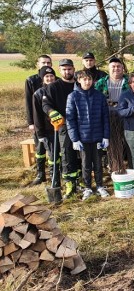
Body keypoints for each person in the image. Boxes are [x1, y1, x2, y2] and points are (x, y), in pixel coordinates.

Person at [65, 71, 110, 200]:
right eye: (84, 79)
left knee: (98, 163)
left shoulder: (99, 96)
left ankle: (100, 186)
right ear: (79, 80)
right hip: (83, 138)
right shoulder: (73, 97)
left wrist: (105, 136)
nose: (87, 82)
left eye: (89, 79)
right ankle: (88, 187)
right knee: (85, 164)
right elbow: (70, 119)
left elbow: (105, 117)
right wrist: (75, 139)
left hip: (97, 136)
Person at [42, 59, 81, 199]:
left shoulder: (79, 84)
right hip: (64, 125)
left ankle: (80, 180)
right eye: (64, 69)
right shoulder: (53, 87)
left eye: (69, 69)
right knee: (67, 154)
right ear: (60, 70)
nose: (67, 72)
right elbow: (46, 104)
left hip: (81, 124)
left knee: (82, 154)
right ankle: (69, 183)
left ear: (74, 69)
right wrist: (52, 112)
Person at [25, 54, 52, 185]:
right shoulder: (31, 81)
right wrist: (31, 122)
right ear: (38, 64)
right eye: (43, 63)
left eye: (48, 63)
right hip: (38, 121)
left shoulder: (54, 80)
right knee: (40, 149)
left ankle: (54, 173)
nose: (46, 65)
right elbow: (29, 103)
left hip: (52, 122)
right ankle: (41, 173)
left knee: (53, 150)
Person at [32, 66, 59, 187]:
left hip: (59, 127)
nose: (49, 78)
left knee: (59, 154)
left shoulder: (59, 89)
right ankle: (53, 177)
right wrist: (40, 133)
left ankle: (59, 174)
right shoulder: (38, 94)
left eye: (51, 76)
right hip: (47, 130)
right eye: (47, 77)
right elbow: (37, 115)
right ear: (43, 79)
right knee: (52, 154)